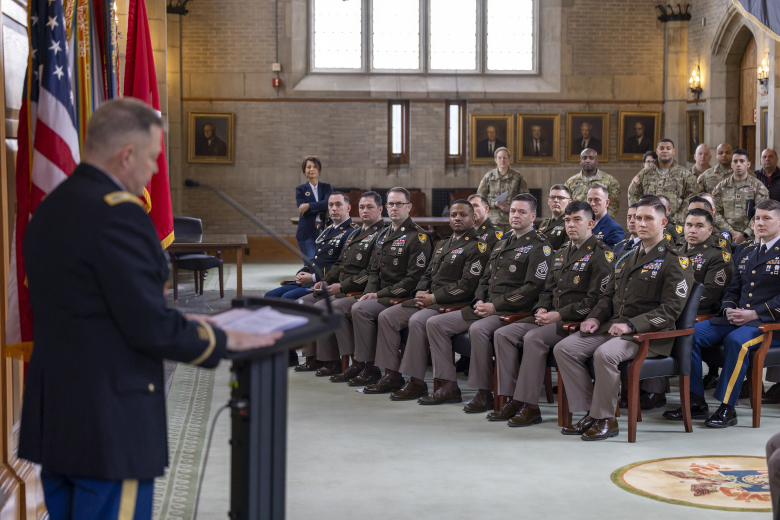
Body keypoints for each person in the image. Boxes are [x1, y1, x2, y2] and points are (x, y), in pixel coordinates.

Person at [18, 99, 281, 519]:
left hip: (56, 418)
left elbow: (95, 307)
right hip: (110, 423)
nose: (155, 171)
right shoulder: (120, 216)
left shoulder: (50, 208)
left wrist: (178, 320)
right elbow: (147, 327)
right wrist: (223, 336)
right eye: (153, 158)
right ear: (126, 155)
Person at [554, 198, 693, 441]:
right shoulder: (628, 257)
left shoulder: (676, 261)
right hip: (614, 329)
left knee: (605, 354)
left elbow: (671, 310)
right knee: (565, 348)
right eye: (638, 218)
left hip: (646, 335)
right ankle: (591, 412)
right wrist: (596, 318)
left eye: (648, 218)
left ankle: (607, 418)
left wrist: (630, 325)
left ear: (663, 222)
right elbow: (608, 295)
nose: (641, 223)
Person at [488, 201, 614, 425]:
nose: (571, 225)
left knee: (533, 338)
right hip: (551, 317)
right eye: (567, 220)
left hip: (575, 320)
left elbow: (597, 300)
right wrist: (542, 308)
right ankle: (512, 398)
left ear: (591, 223)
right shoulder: (562, 252)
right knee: (504, 334)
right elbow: (548, 290)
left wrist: (559, 315)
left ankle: (530, 406)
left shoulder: (601, 254)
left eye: (577, 220)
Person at [423, 194, 551, 410]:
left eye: (522, 212)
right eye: (513, 211)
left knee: (479, 329)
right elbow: (484, 278)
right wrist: (480, 300)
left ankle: (484, 393)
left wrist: (495, 305)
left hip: (514, 310)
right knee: (436, 324)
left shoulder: (540, 246)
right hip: (487, 307)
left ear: (533, 216)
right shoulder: (502, 243)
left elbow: (533, 289)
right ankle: (449, 386)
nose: (516, 215)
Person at [367, 201, 490, 398]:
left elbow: (468, 286)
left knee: (417, 320)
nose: (457, 218)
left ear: (473, 218)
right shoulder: (442, 244)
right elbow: (427, 274)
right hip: (428, 300)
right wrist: (419, 290)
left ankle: (423, 382)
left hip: (451, 304)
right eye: (453, 215)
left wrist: (433, 297)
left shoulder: (478, 247)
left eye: (463, 215)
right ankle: (392, 375)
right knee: (387, 316)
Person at [686, 200, 780, 428]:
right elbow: (733, 287)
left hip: (769, 324)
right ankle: (696, 401)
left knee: (736, 342)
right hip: (736, 318)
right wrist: (728, 308)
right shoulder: (746, 250)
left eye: (767, 218)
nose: (760, 223)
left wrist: (754, 314)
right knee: (688, 334)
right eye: (757, 218)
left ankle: (727, 407)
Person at [332, 188, 433, 387]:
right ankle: (360, 363)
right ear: (386, 207)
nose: (394, 208)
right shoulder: (384, 234)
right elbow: (374, 271)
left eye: (399, 204)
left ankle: (376, 370)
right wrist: (369, 293)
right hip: (379, 294)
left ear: (409, 207)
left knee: (360, 309)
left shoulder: (418, 237)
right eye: (391, 204)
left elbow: (414, 280)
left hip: (400, 296)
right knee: (340, 307)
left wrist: (376, 295)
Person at [642, 209, 734, 412]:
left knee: (677, 333)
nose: (692, 230)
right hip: (673, 311)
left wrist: (670, 305)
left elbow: (709, 294)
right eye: (689, 225)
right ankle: (648, 388)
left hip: (703, 316)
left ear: (710, 230)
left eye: (699, 226)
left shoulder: (718, 255)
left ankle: (692, 399)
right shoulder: (674, 251)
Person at [295, 191, 386, 375]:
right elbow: (339, 264)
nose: (365, 211)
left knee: (325, 306)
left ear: (380, 209)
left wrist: (342, 286)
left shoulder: (381, 235)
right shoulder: (356, 233)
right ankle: (314, 357)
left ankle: (340, 360)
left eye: (369, 207)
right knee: (303, 303)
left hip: (358, 289)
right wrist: (324, 281)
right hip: (339, 286)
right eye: (362, 207)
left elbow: (371, 273)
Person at [266, 192, 359, 300]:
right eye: (331, 205)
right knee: (270, 296)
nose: (334, 208)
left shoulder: (352, 232)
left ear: (348, 208)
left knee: (287, 297)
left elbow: (343, 266)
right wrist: (302, 272)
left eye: (338, 205)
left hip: (327, 283)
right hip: (310, 280)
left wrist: (313, 277)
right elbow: (316, 258)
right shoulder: (328, 229)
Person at [628, 138, 700, 225]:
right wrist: (640, 214)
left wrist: (678, 218)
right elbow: (632, 193)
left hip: (675, 224)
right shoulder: (645, 173)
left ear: (673, 151)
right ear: (657, 151)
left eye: (668, 148)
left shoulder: (684, 174)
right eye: (661, 148)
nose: (665, 151)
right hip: (648, 222)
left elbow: (692, 196)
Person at [713, 148, 769, 244]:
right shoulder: (721, 187)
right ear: (731, 165)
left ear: (748, 164)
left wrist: (745, 234)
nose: (738, 164)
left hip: (751, 238)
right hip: (725, 237)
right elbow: (715, 212)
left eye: (742, 161)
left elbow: (761, 214)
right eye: (735, 161)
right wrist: (731, 231)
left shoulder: (759, 187)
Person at [476, 147, 529, 232]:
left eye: (505, 157)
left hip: (513, 219)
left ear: (509, 159)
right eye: (499, 157)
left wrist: (513, 207)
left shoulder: (517, 176)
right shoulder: (489, 176)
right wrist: (494, 204)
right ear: (495, 160)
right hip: (493, 221)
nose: (502, 160)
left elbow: (526, 197)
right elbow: (479, 199)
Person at [295, 156, 333, 260]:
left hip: (325, 230)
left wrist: (309, 205)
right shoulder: (300, 189)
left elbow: (328, 204)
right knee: (311, 264)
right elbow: (304, 212)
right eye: (308, 167)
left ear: (319, 170)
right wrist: (320, 205)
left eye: (315, 167)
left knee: (324, 263)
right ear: (304, 170)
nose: (311, 169)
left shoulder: (326, 187)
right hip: (306, 232)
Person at [564, 149, 621, 217]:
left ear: (596, 160)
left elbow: (613, 207)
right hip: (577, 222)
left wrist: (603, 222)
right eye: (584, 158)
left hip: (601, 223)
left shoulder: (610, 181)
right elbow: (565, 204)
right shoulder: (570, 182)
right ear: (580, 161)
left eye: (591, 158)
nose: (587, 161)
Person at [537, 185, 572, 252]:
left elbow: (566, 251)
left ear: (569, 202)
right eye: (552, 197)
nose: (556, 200)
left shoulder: (570, 223)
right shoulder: (544, 223)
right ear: (548, 201)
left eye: (560, 198)